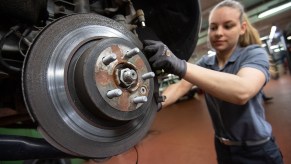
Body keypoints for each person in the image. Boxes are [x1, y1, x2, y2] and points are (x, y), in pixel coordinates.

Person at [143, 0, 284, 163]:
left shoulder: (254, 54)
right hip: (223, 148)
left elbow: (243, 91)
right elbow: (181, 87)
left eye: (228, 26)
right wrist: (155, 104)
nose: (218, 33)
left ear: (242, 28)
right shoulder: (206, 62)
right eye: (214, 27)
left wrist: (180, 65)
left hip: (256, 150)